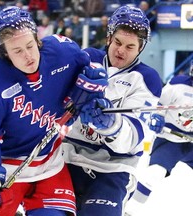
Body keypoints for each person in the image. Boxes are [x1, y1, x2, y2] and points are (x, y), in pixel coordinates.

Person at [0, 6, 104, 216]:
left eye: (30, 45)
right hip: (3, 167)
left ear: (37, 39)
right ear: (5, 53)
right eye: (17, 51)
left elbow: (93, 65)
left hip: (48, 166)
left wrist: (97, 82)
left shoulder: (62, 53)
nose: (28, 56)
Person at [61, 5, 163, 216]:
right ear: (109, 37)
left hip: (113, 169)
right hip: (66, 158)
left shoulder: (147, 79)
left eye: (130, 46)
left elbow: (135, 136)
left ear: (140, 48)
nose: (121, 50)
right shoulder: (86, 58)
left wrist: (110, 125)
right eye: (117, 42)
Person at [125, 70, 193, 216]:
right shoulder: (178, 84)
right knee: (155, 173)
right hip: (171, 140)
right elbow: (159, 103)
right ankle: (129, 211)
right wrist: (157, 116)